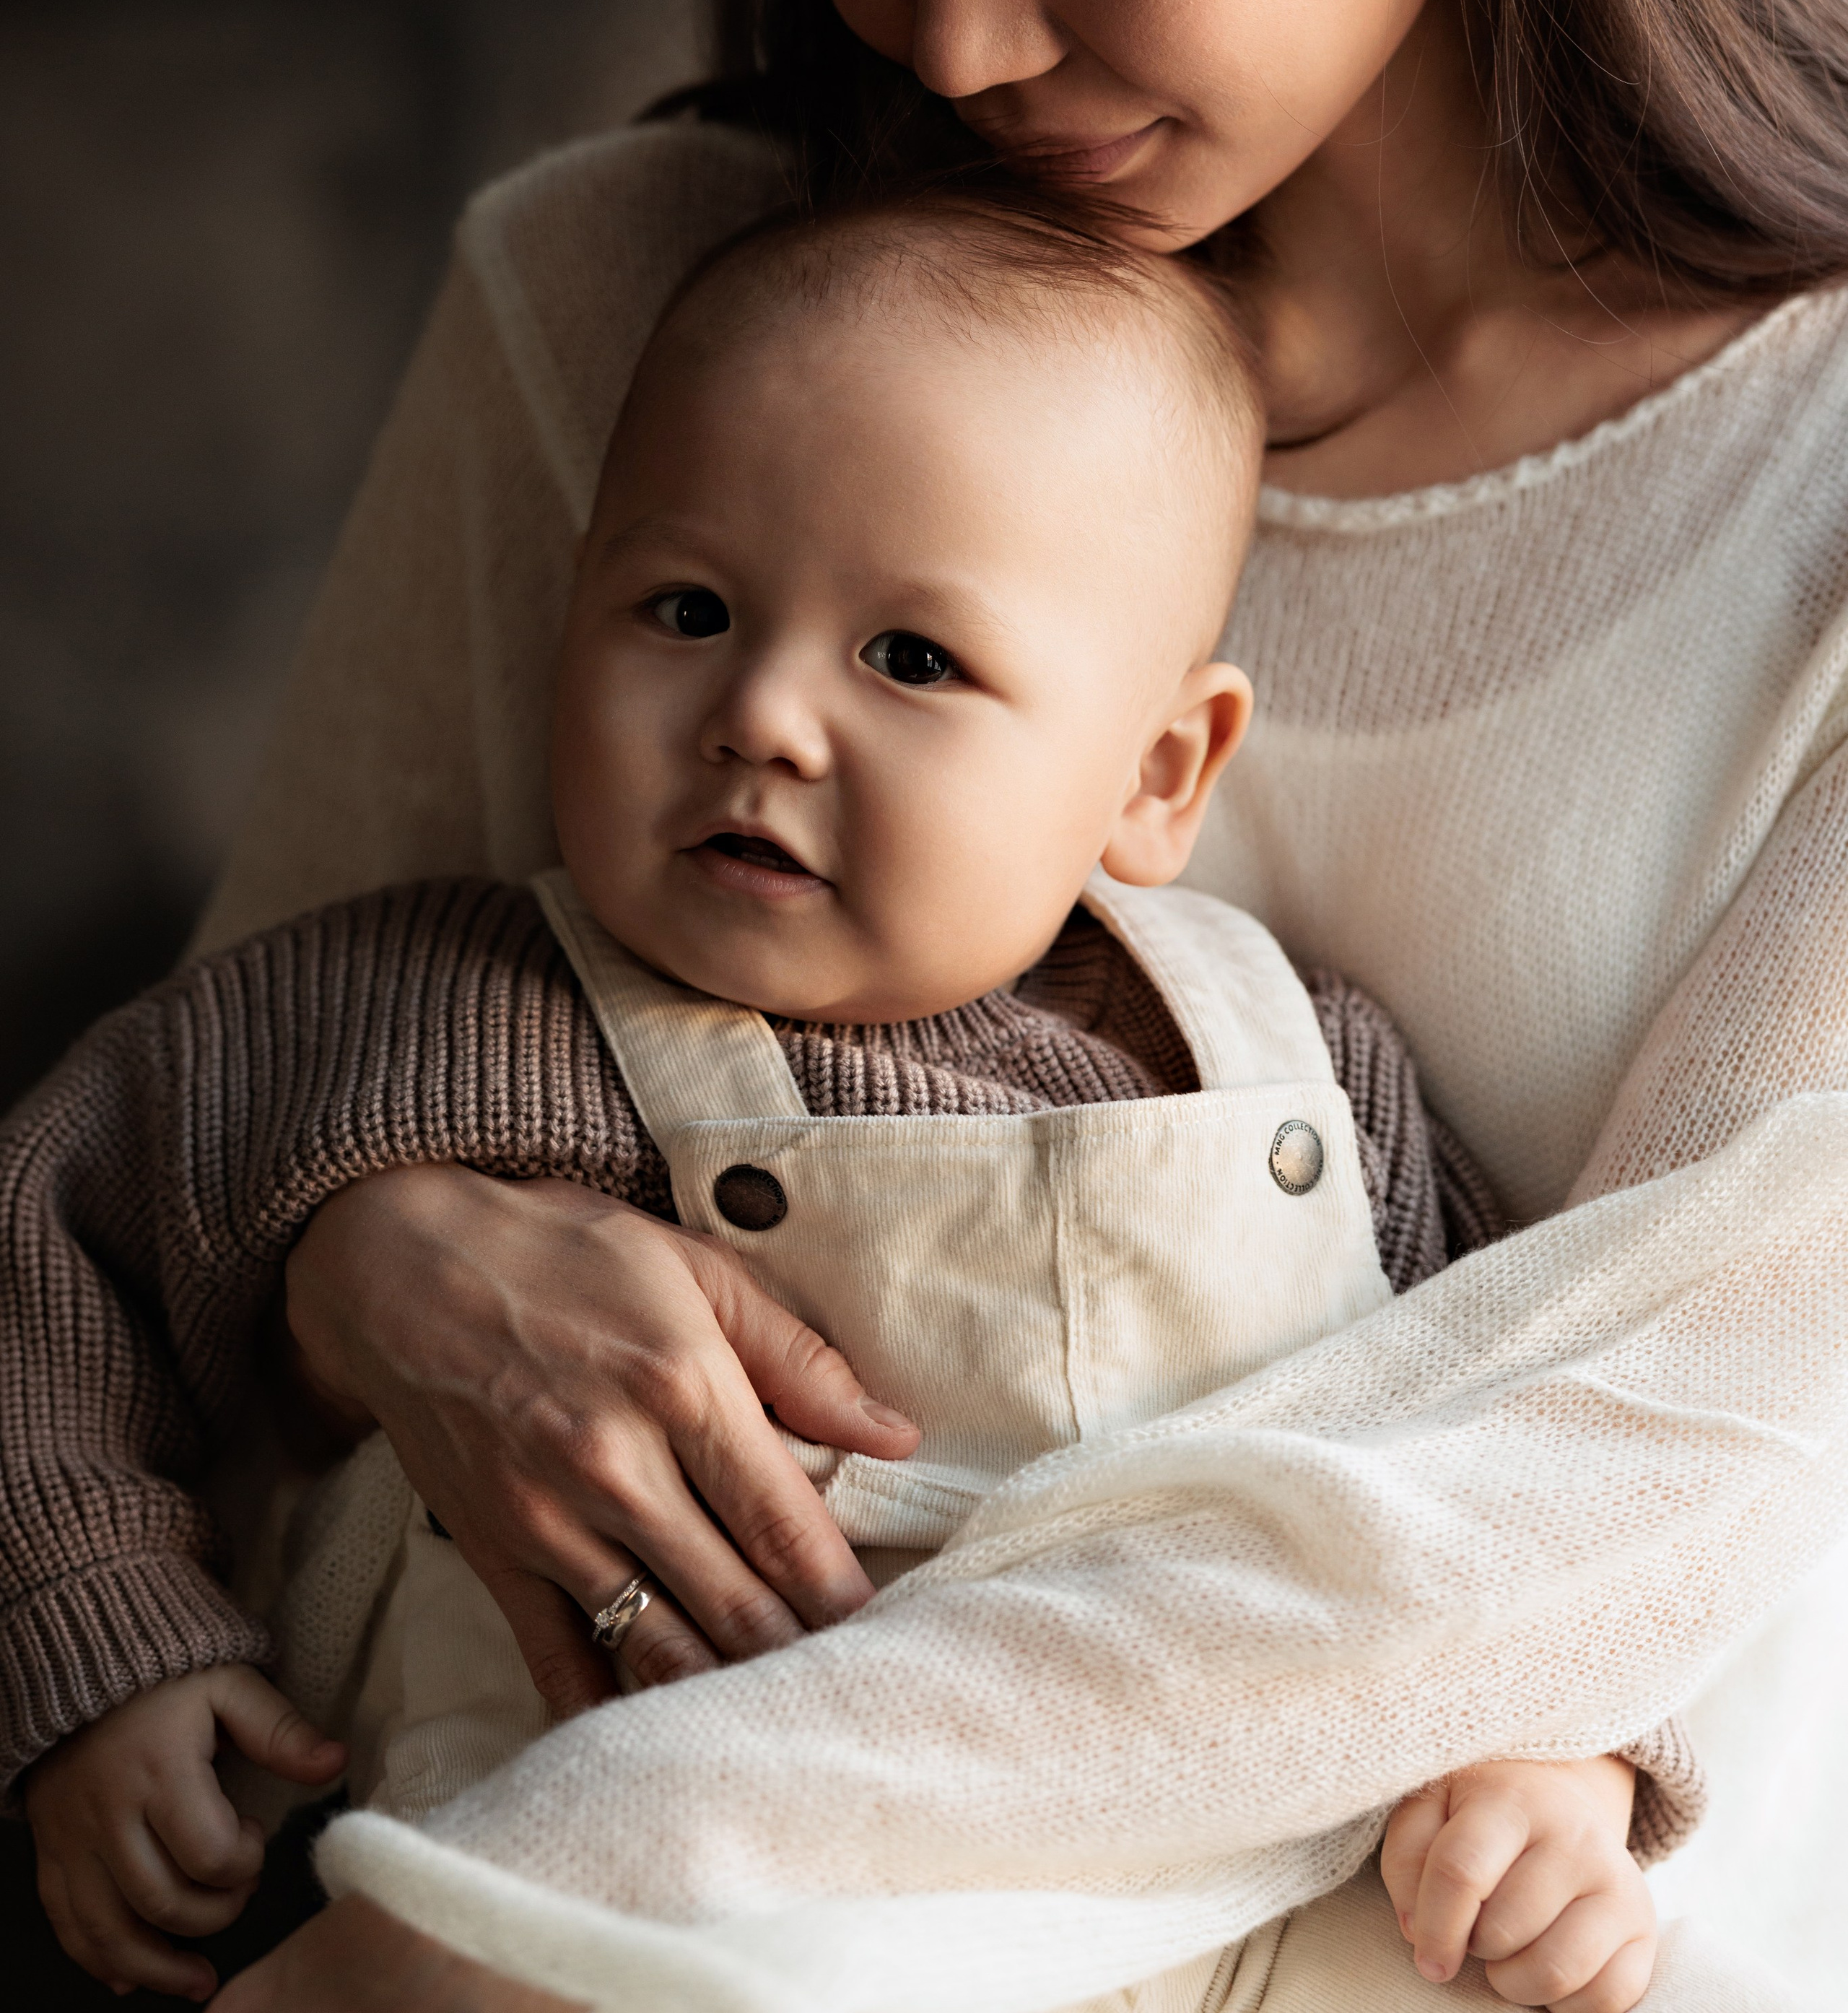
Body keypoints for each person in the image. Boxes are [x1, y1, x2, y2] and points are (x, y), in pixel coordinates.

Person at [64, 0, 1848, 2001]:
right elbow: (187, 1165)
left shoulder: (1819, 458)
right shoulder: (639, 308)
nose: (964, 31)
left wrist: (537, 1915)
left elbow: (1636, 1440)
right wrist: (369, 1246)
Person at [9, 194, 1687, 2010]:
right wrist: (108, 1638)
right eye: (686, 608)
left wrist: (1561, 1756)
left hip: (1222, 1903)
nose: (762, 717)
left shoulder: (1297, 1063)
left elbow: (1546, 1441)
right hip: (628, 1913)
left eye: (907, 658)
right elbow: (49, 1225)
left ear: (1152, 770)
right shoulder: (439, 1004)